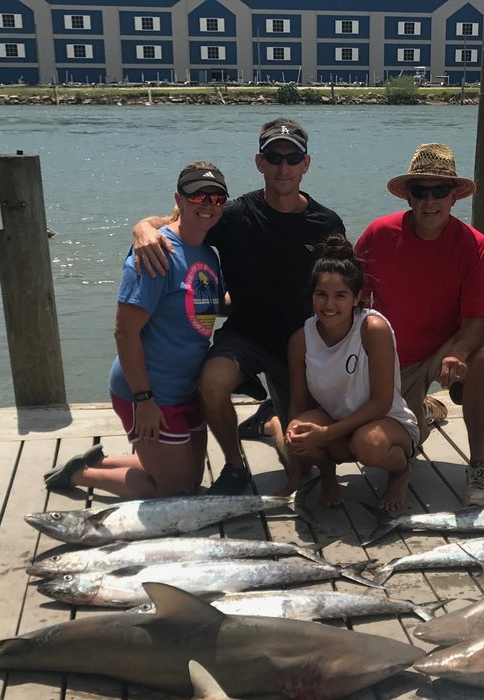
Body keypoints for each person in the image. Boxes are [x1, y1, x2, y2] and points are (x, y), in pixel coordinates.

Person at [132, 118, 344, 495]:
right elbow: (170, 223)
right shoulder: (231, 216)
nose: (282, 167)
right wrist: (142, 229)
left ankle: (270, 423)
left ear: (306, 164)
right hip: (244, 335)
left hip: (298, 346)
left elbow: (341, 289)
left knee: (304, 463)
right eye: (273, 156)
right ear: (259, 162)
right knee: (211, 383)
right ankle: (233, 465)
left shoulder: (326, 223)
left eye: (292, 157)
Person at [44, 163, 228, 498]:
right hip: (149, 392)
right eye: (197, 195)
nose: (207, 204)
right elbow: (124, 333)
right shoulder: (156, 254)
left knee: (190, 478)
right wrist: (144, 399)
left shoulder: (209, 254)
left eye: (216, 197)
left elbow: (211, 301)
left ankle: (100, 462)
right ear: (179, 198)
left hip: (187, 388)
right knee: (175, 491)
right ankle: (81, 475)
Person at [354, 142, 484, 507]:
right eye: (421, 191)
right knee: (376, 449)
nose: (430, 201)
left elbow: (476, 324)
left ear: (455, 196)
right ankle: (424, 410)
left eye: (440, 191)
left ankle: (480, 467)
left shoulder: (474, 245)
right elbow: (346, 299)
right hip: (389, 358)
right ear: (408, 196)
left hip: (442, 351)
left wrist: (459, 353)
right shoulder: (378, 234)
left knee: (482, 360)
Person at [284, 236, 419, 511]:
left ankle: (400, 471)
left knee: (368, 445)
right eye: (321, 294)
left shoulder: (372, 328)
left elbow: (381, 402)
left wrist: (326, 433)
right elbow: (299, 403)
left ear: (357, 297)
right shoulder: (301, 339)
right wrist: (296, 466)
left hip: (386, 420)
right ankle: (327, 474)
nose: (329, 304)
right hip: (335, 422)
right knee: (296, 430)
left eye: (340, 295)